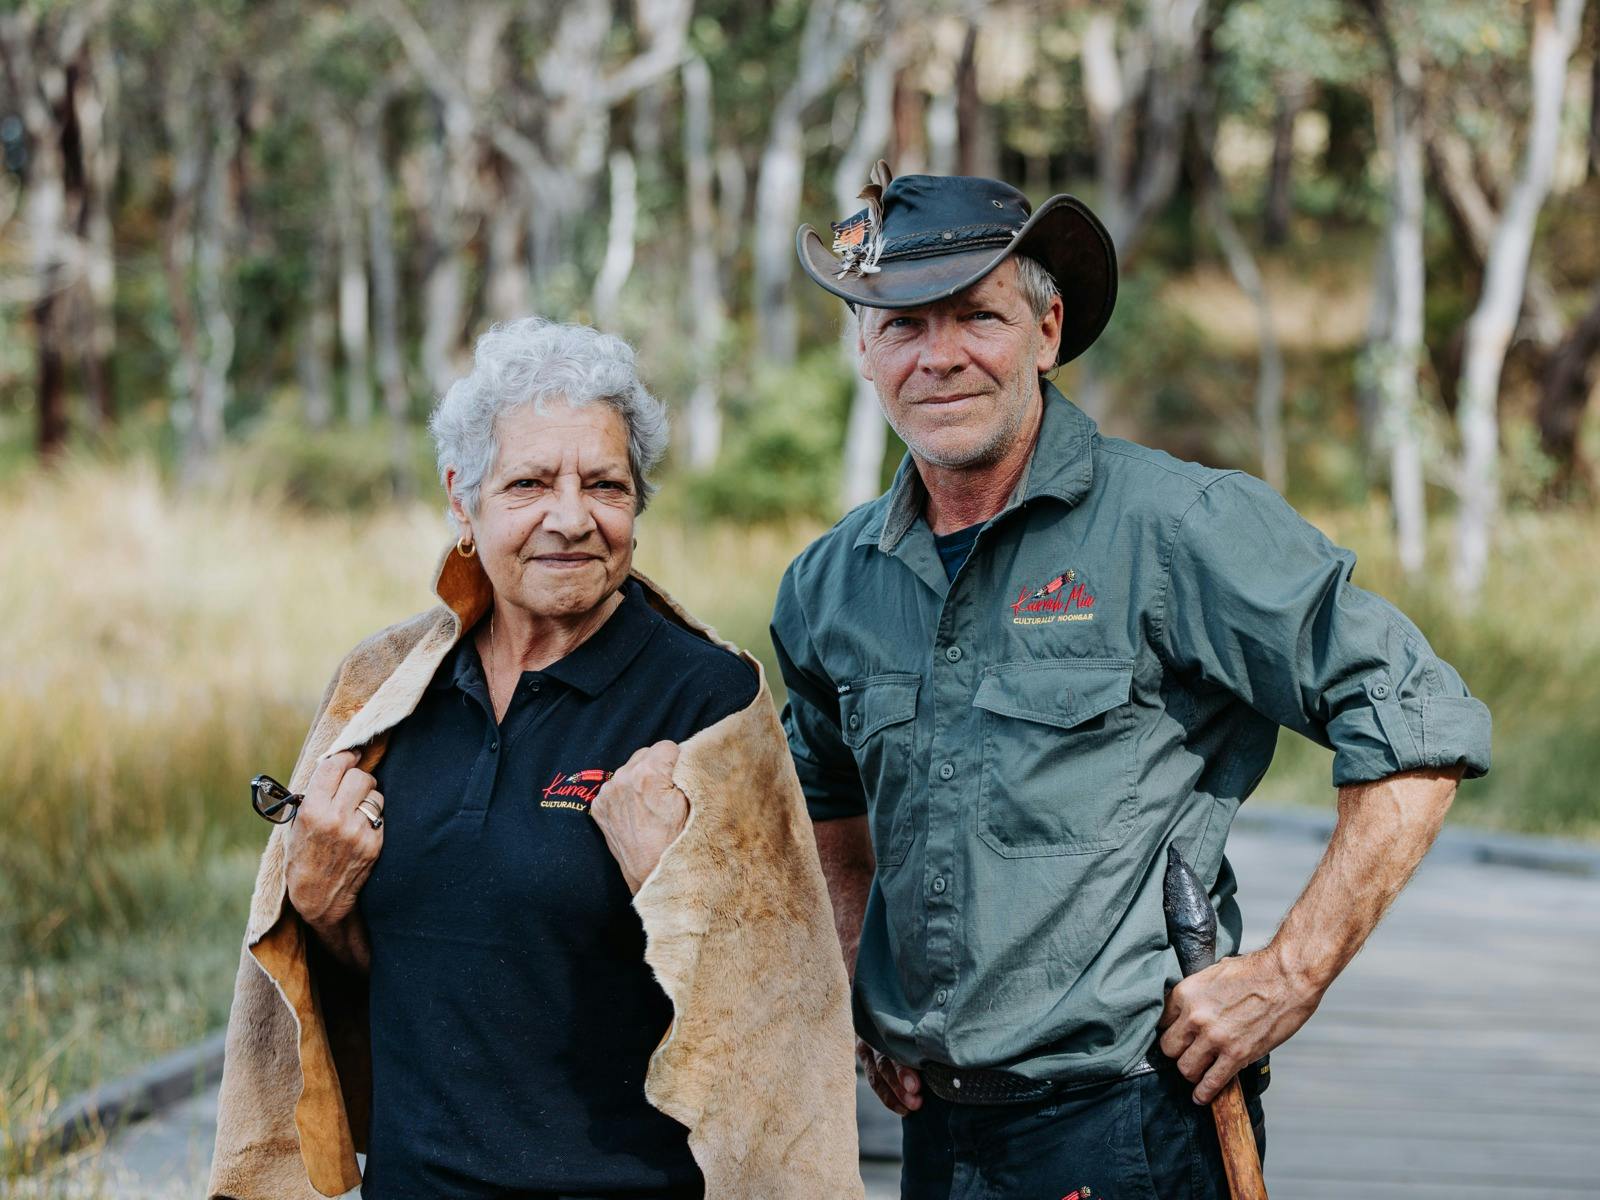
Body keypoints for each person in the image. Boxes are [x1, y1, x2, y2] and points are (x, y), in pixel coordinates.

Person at [772, 166, 1492, 1198]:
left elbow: (1418, 720)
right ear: (863, 350)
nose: (939, 356)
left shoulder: (1178, 528)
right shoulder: (831, 584)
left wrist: (1287, 977)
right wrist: (860, 985)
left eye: (977, 317)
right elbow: (822, 799)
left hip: (1130, 1127)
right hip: (934, 1133)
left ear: (1046, 330)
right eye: (901, 326)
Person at [209, 319, 864, 1200]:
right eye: (528, 484)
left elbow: (781, 1022)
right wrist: (318, 905)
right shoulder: (388, 687)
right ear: (463, 498)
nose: (571, 518)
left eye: (605, 485)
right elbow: (392, 977)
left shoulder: (707, 703)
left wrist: (673, 886)